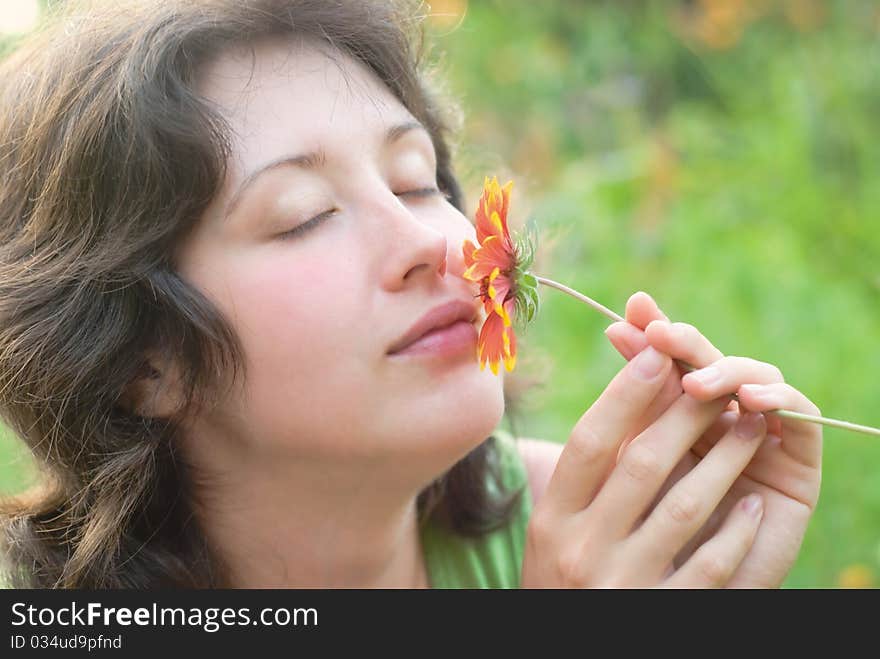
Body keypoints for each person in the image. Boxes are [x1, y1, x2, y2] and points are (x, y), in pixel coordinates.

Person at [0, 0, 821, 589]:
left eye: (418, 180)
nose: (438, 244)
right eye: (304, 217)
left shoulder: (591, 532)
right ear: (143, 364)